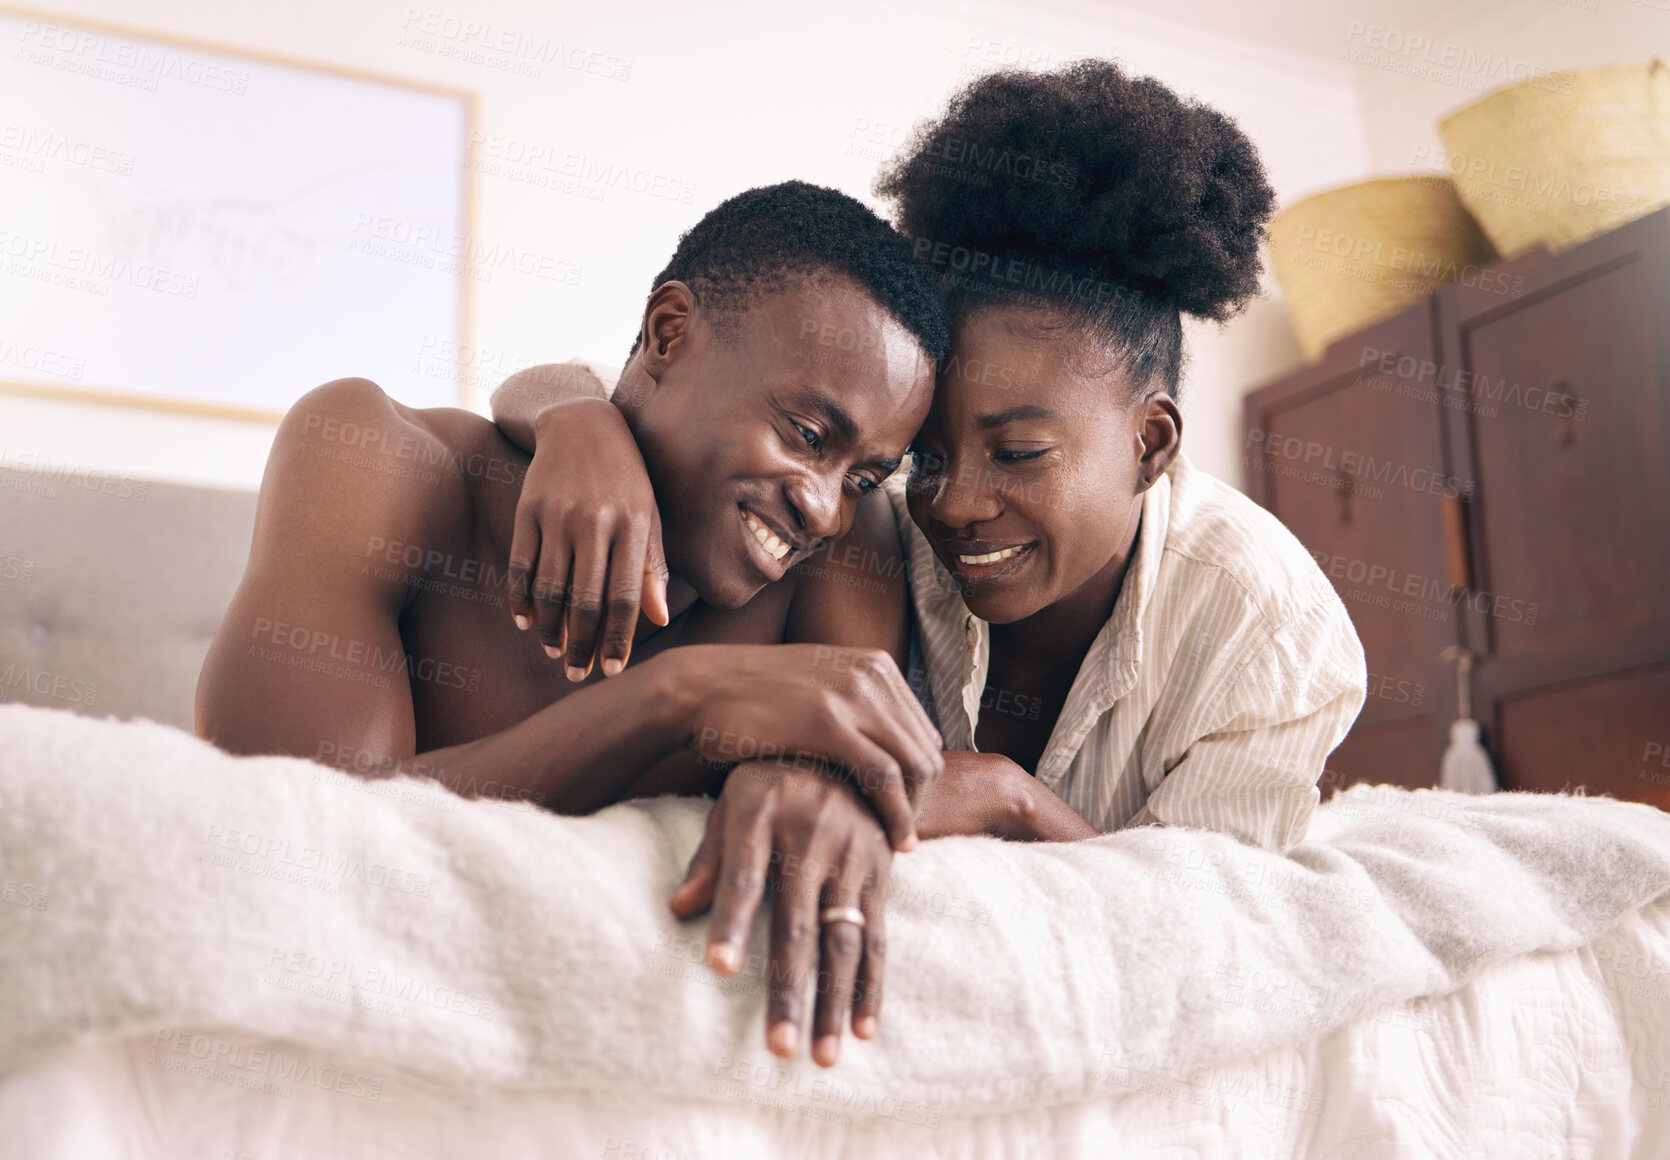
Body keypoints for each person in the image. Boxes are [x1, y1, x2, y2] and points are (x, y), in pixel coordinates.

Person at [502, 62, 1366, 861]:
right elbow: (639, 391)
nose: (952, 505)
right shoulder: (867, 522)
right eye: (926, 456)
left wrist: (1005, 796)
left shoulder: (1269, 631)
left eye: (1019, 452)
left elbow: (1210, 936)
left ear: (1151, 446)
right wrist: (578, 426)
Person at [196, 181, 964, 1069]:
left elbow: (871, 776)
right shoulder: (377, 457)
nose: (824, 506)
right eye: (804, 433)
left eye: (865, 475)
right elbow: (289, 836)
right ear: (669, 334)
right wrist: (673, 699)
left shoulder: (841, 557)